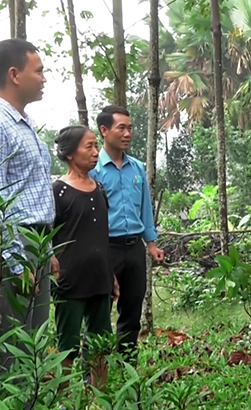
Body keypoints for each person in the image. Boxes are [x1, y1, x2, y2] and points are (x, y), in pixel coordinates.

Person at [0, 38, 55, 378]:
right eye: (40, 71)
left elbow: (31, 193)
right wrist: (16, 263)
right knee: (12, 345)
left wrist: (45, 249)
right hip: (13, 247)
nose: (44, 78)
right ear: (14, 74)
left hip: (35, 243)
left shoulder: (24, 123)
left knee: (33, 341)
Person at [89, 105, 164, 364]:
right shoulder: (93, 170)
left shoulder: (137, 168)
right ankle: (96, 370)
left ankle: (127, 365)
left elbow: (144, 207)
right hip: (105, 249)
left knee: (131, 309)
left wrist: (151, 243)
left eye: (130, 128)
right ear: (104, 130)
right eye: (121, 127)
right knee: (100, 311)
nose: (128, 133)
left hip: (133, 249)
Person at [51, 125, 119, 388]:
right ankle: (66, 398)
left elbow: (102, 235)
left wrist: (111, 275)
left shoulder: (99, 189)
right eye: (88, 146)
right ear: (70, 153)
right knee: (66, 344)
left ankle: (98, 396)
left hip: (100, 279)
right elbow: (48, 237)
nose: (95, 152)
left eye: (95, 146)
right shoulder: (58, 191)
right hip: (69, 283)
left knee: (100, 343)